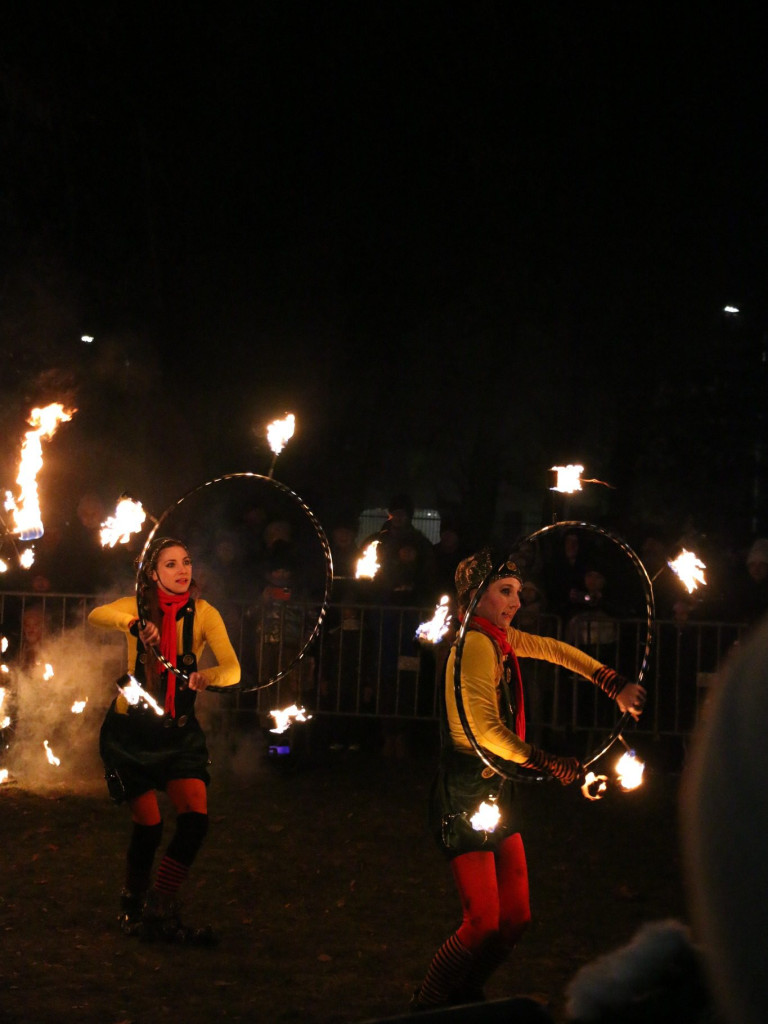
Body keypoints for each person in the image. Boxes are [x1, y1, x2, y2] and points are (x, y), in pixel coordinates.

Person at [412, 548, 646, 1011]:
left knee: (516, 916)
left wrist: (610, 682)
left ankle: (466, 993)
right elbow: (483, 732)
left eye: (518, 591)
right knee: (482, 920)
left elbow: (554, 649)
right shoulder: (473, 646)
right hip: (465, 793)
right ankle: (427, 1003)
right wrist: (544, 761)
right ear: (474, 598)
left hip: (499, 787)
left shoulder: (498, 638)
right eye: (505, 591)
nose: (516, 601)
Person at [88, 536, 240, 944]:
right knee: (149, 827)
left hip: (178, 734)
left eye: (186, 561)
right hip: (131, 734)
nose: (182, 570)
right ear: (153, 574)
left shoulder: (204, 613)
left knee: (195, 821)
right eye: (170, 564)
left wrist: (208, 676)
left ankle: (159, 905)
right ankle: (132, 903)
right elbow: (97, 615)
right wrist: (134, 624)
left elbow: (233, 669)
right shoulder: (136, 608)